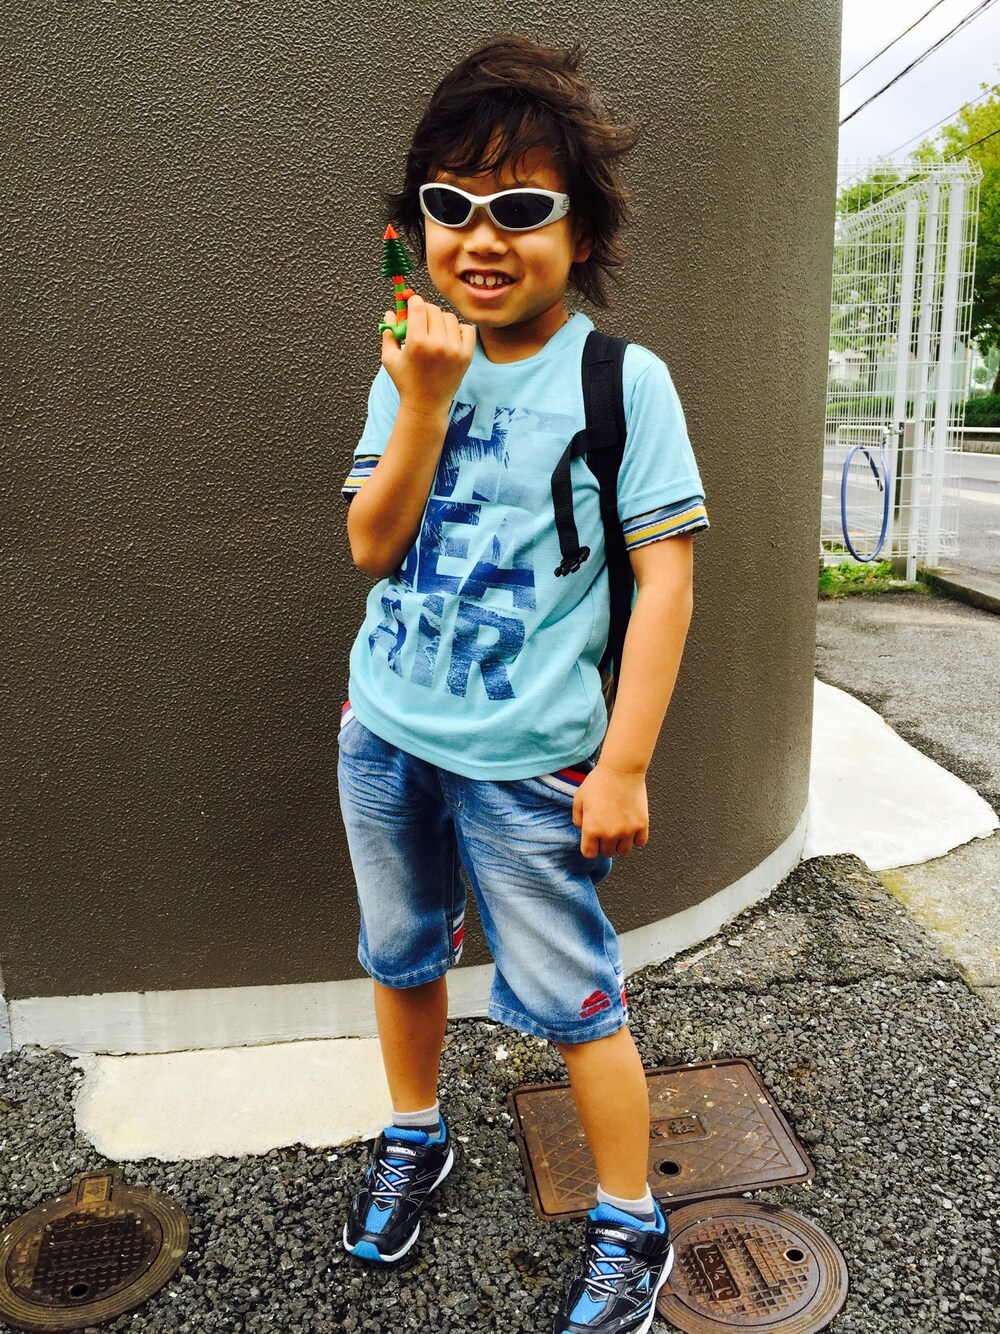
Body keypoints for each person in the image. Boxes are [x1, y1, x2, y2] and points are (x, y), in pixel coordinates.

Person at [338, 34, 709, 1334]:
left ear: (581, 230)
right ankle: (414, 1132)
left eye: (521, 208)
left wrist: (624, 765)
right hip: (387, 733)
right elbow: (369, 544)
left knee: (576, 1001)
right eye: (451, 205)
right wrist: (423, 400)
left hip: (530, 763)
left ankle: (632, 1219)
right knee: (400, 955)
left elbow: (666, 581)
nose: (481, 237)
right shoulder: (410, 362)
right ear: (414, 228)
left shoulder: (623, 382)